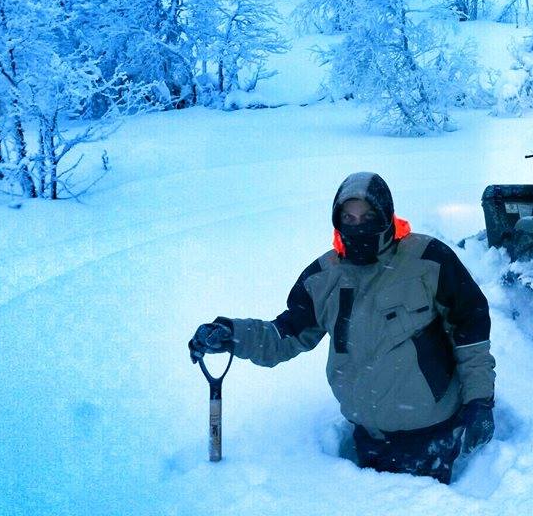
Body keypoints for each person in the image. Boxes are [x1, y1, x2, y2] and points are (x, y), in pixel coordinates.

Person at [188, 172, 496, 484]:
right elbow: (283, 336)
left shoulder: (428, 259)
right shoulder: (323, 278)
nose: (357, 226)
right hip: (368, 439)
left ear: (386, 216)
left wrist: (479, 401)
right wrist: (232, 334)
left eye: (367, 216)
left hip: (432, 435)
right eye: (348, 217)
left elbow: (471, 332)